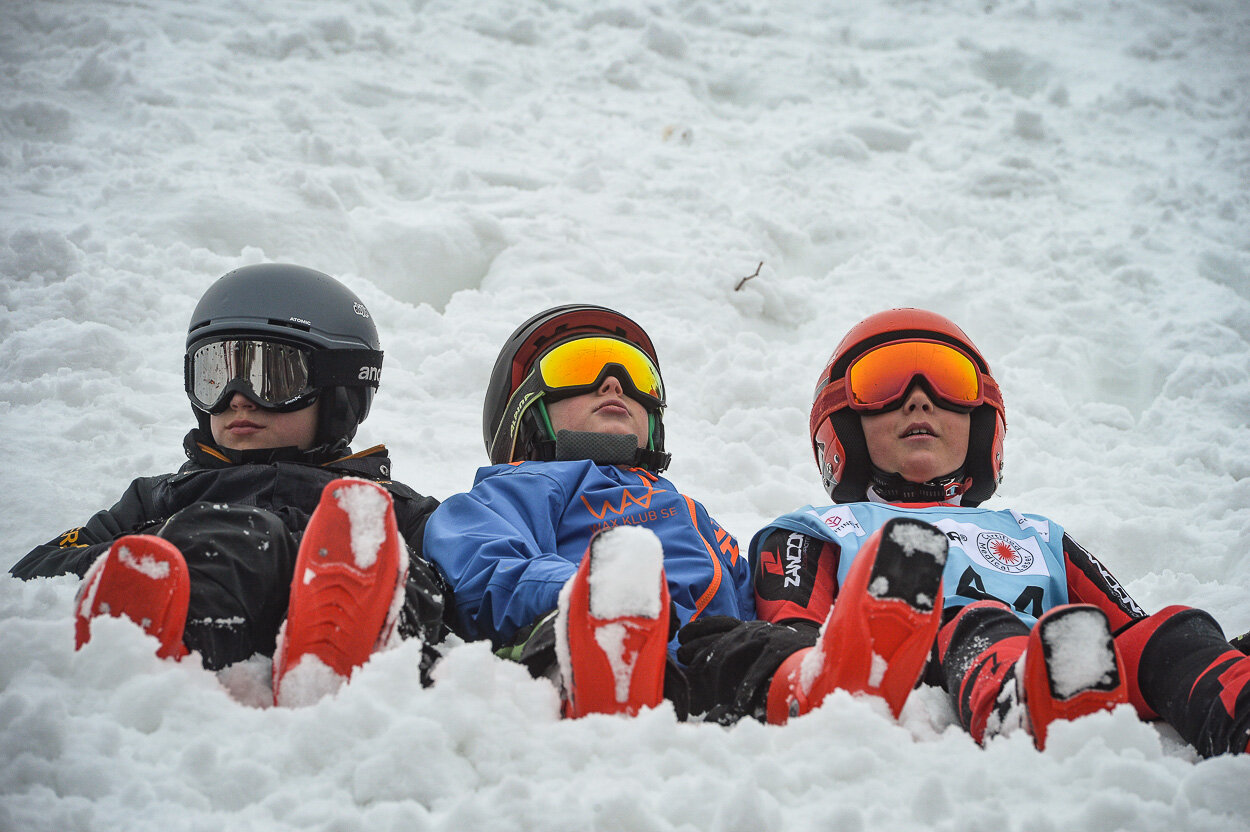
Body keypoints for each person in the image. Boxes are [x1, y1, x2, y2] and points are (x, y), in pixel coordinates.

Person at [677, 308, 1250, 757]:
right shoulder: (818, 530)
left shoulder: (1036, 533)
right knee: (974, 621)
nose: (919, 398)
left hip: (1071, 661)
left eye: (948, 382)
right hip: (936, 666)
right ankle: (1021, 704)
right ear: (844, 424)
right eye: (884, 385)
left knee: (1178, 633)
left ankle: (1237, 706)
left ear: (982, 422)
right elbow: (794, 638)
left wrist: (1185, 649)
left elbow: (1130, 630)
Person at [10, 264, 446, 706]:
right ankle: (143, 644)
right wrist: (155, 549)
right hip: (197, 651)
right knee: (229, 539)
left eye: (271, 376)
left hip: (354, 657)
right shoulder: (161, 497)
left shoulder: (386, 504)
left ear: (340, 390)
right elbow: (33, 577)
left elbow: (465, 581)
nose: (237, 397)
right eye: (215, 374)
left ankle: (348, 651)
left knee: (384, 555)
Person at [422, 304, 753, 717]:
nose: (615, 383)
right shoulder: (523, 485)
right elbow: (481, 559)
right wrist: (593, 592)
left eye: (637, 376)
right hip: (586, 639)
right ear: (529, 413)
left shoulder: (690, 512)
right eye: (576, 368)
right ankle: (602, 688)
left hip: (710, 675)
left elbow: (748, 592)